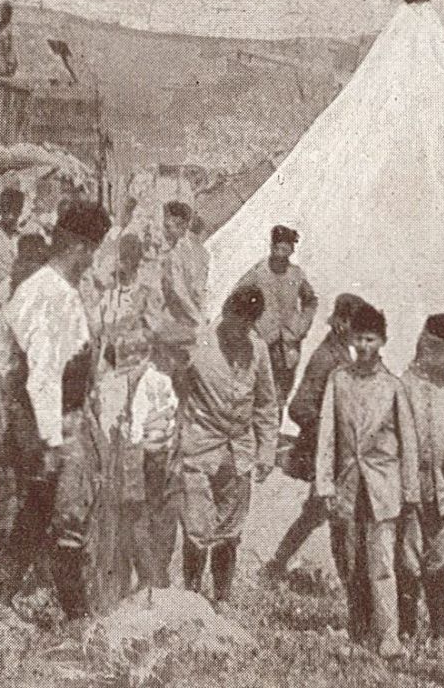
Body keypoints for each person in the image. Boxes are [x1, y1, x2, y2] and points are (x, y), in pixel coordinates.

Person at [0, 201, 111, 604]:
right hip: (51, 422)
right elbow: (42, 374)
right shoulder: (49, 294)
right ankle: (76, 618)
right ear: (81, 248)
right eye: (93, 250)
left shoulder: (52, 290)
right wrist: (52, 441)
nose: (93, 260)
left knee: (36, 512)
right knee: (67, 521)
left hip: (53, 417)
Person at [157, 283, 281, 604]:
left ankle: (222, 600)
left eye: (248, 324)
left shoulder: (258, 350)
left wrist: (266, 450)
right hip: (199, 449)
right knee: (197, 529)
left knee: (230, 531)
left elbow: (266, 405)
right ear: (226, 313)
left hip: (238, 454)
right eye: (236, 321)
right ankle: (192, 598)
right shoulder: (199, 343)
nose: (240, 330)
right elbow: (169, 383)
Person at [315, 300, 420, 658]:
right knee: (349, 560)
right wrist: (325, 483)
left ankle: (388, 635)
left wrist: (410, 492)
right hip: (347, 485)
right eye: (359, 339)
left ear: (383, 341)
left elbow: (409, 443)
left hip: (383, 487)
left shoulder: (393, 387)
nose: (363, 347)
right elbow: (327, 434)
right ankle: (358, 629)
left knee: (382, 564)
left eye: (371, 339)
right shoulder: (338, 380)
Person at [263, 293, 358, 579]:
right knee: (336, 516)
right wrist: (327, 433)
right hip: (325, 452)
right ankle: (347, 579)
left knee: (320, 513)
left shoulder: (340, 354)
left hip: (336, 452)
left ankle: (278, 564)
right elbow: (299, 407)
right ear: (341, 323)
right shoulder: (326, 358)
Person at [398, 313, 444, 646]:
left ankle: (440, 633)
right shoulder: (402, 388)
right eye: (443, 351)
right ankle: (406, 629)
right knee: (409, 560)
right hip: (409, 486)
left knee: (438, 561)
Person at [234, 224, 318, 403]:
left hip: (289, 343)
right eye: (277, 248)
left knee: (282, 391)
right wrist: (250, 327)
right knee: (261, 390)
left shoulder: (296, 274)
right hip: (264, 340)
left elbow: (310, 301)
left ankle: (275, 427)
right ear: (272, 247)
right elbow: (237, 297)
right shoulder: (258, 272)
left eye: (285, 249)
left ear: (291, 250)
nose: (280, 254)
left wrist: (302, 325)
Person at [157, 200, 208, 335]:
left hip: (178, 315)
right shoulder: (160, 248)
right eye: (165, 225)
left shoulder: (183, 252)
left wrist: (198, 317)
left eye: (169, 227)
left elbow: (185, 290)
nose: (165, 231)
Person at [0, 1, 18, 80]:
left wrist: (11, 61)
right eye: (1, 12)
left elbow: (13, 45)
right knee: (0, 77)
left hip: (8, 59)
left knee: (6, 79)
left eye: (3, 12)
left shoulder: (11, 28)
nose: (1, 14)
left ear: (9, 14)